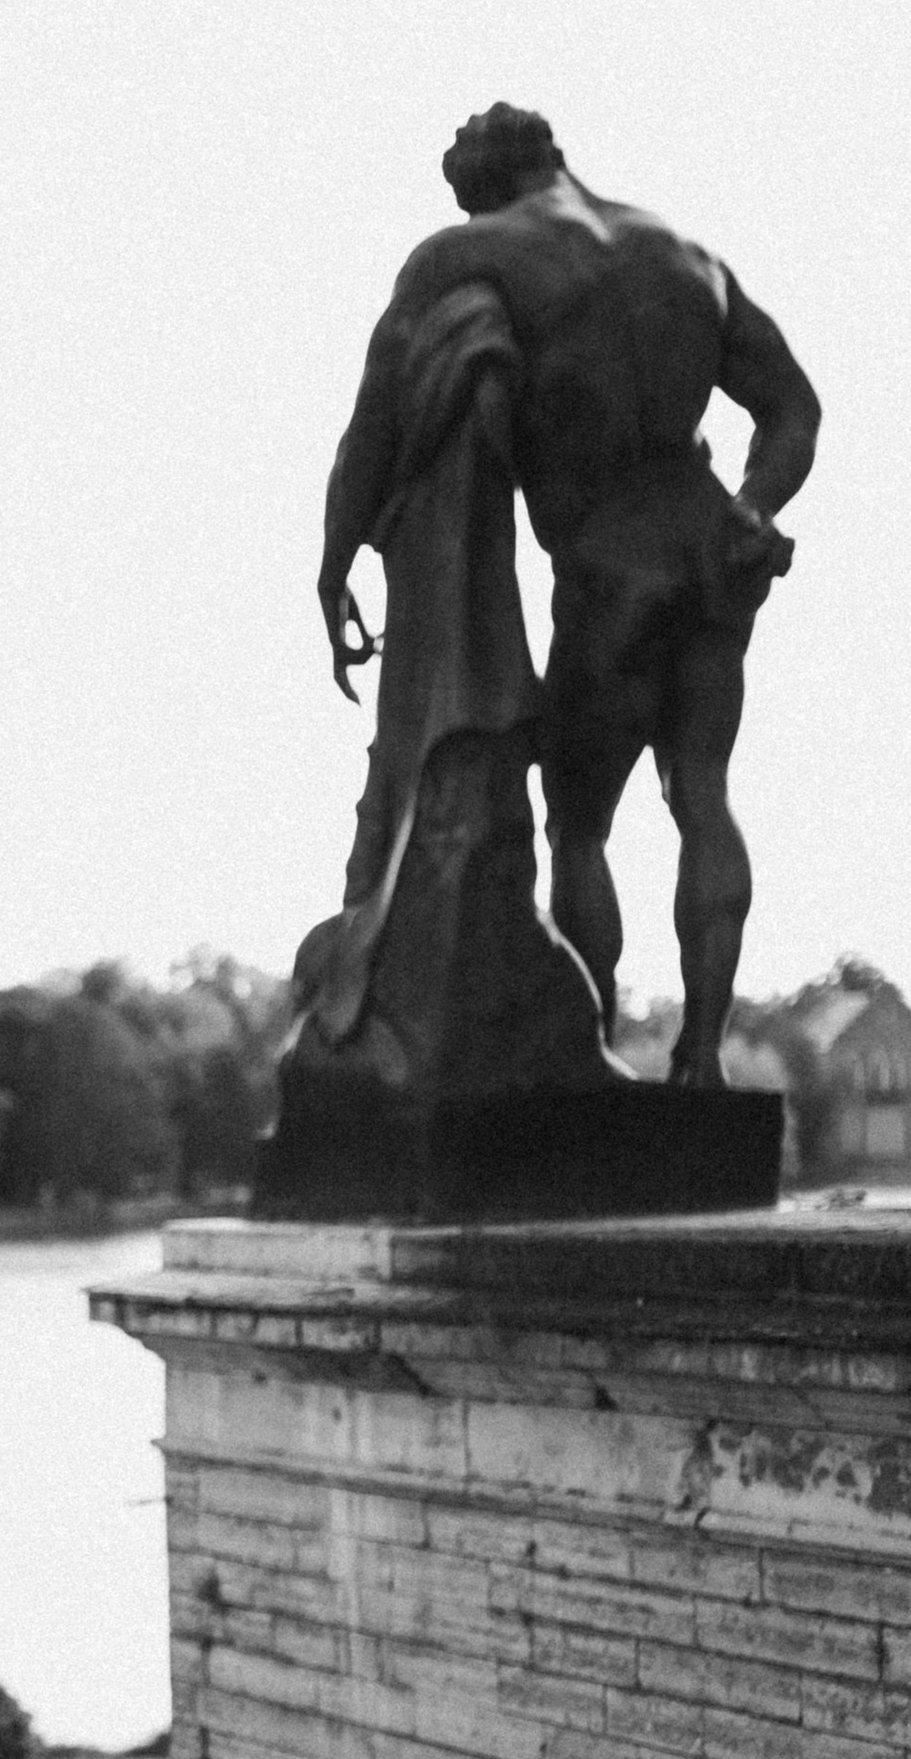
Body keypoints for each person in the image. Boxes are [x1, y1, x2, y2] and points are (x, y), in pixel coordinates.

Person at [314, 100, 820, 1091]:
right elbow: (794, 407)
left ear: (480, 191)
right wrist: (754, 508)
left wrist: (335, 565)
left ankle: (586, 1052)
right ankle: (702, 1059)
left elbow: (372, 428)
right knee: (703, 795)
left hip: (608, 561)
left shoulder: (464, 259)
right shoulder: (683, 253)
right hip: (710, 538)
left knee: (577, 824)